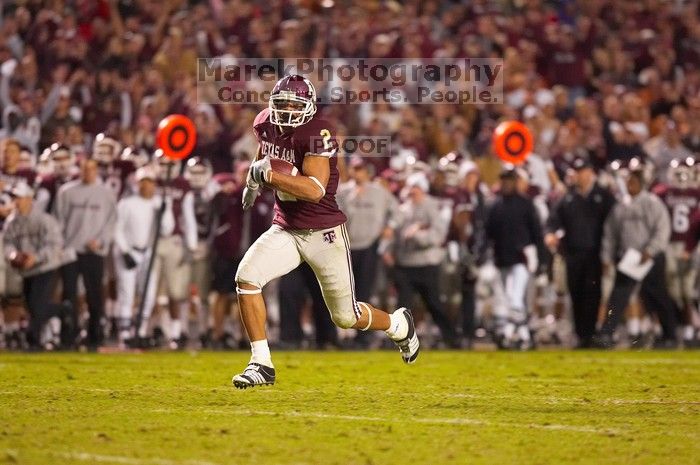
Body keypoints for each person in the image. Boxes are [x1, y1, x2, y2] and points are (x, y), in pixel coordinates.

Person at [233, 75, 419, 388]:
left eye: (294, 104)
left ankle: (398, 324)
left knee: (346, 317)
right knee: (246, 278)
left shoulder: (318, 132)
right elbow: (264, 154)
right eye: (282, 104)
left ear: (309, 107)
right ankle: (261, 362)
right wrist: (254, 179)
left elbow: (315, 189)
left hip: (323, 232)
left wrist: (270, 177)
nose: (287, 110)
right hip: (286, 228)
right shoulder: (265, 122)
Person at [596, 166, 678, 348]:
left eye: (633, 182)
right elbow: (610, 234)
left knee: (656, 296)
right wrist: (607, 257)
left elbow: (662, 230)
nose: (629, 185)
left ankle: (670, 334)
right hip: (629, 258)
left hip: (651, 257)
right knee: (618, 296)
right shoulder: (621, 206)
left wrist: (650, 250)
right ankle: (606, 334)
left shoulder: (652, 203)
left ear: (642, 184)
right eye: (628, 182)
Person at [546, 158, 616, 347]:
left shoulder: (603, 196)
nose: (579, 175)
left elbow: (613, 225)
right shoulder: (568, 198)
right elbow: (553, 220)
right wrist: (551, 234)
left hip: (595, 254)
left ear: (590, 172)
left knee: (593, 294)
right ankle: (580, 334)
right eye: (576, 171)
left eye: (582, 171)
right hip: (573, 254)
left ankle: (591, 332)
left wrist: (609, 253)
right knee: (575, 293)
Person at [384, 171, 457, 348]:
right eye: (410, 188)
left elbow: (438, 235)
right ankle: (400, 340)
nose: (411, 192)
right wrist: (388, 249)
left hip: (427, 263)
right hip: (405, 264)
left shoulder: (433, 207)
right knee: (403, 306)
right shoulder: (404, 209)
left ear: (423, 189)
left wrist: (417, 235)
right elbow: (394, 233)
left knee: (434, 303)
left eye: (415, 188)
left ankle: (452, 338)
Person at [54, 158, 117, 349]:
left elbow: (111, 221)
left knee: (94, 295)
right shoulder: (67, 191)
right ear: (79, 170)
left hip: (93, 251)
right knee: (69, 294)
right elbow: (59, 220)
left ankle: (94, 334)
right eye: (85, 169)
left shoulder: (106, 194)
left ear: (97, 171)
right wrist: (61, 245)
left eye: (92, 169)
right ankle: (68, 335)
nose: (88, 172)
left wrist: (100, 241)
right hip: (71, 250)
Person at [336, 156, 397, 347]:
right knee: (346, 293)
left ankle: (363, 335)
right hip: (346, 247)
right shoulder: (343, 192)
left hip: (370, 246)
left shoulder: (380, 192)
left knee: (365, 291)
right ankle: (348, 335)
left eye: (361, 168)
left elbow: (398, 211)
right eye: (354, 168)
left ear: (367, 171)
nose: (357, 172)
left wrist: (391, 226)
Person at [485, 166, 546, 350]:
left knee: (516, 297)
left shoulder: (526, 204)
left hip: (522, 259)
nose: (506, 184)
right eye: (504, 180)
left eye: (510, 180)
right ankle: (522, 334)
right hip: (502, 259)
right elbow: (488, 233)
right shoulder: (495, 205)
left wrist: (542, 260)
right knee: (508, 298)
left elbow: (537, 232)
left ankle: (510, 333)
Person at [113, 166, 173, 345]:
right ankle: (124, 334)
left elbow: (167, 229)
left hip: (148, 253)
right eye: (143, 182)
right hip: (129, 251)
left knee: (149, 294)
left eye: (150, 182)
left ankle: (139, 329)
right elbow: (117, 229)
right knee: (127, 293)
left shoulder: (159, 203)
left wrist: (164, 213)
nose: (147, 186)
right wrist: (124, 251)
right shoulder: (126, 203)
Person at [3, 183, 65, 350]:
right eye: (15, 197)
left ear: (29, 199)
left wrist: (36, 257)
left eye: (20, 198)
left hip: (45, 267)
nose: (16, 201)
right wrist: (13, 255)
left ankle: (34, 340)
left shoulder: (44, 219)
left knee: (37, 304)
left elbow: (55, 245)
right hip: (26, 269)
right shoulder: (12, 221)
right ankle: (61, 310)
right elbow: (7, 243)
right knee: (30, 305)